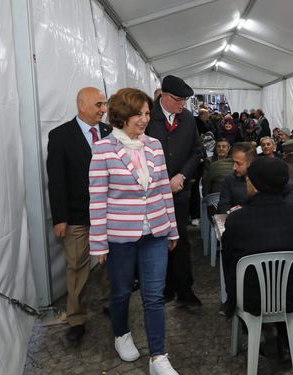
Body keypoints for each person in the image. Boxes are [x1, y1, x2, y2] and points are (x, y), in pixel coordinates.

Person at [88, 88, 179, 375]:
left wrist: (172, 229)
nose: (144, 119)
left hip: (156, 231)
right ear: (122, 115)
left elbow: (164, 189)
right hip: (119, 236)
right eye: (138, 114)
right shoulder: (103, 149)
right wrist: (98, 244)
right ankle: (121, 333)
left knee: (153, 295)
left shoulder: (153, 145)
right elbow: (97, 198)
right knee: (121, 291)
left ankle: (158, 356)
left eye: (147, 114)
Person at [46, 86, 111, 342]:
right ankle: (76, 319)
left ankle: (110, 303)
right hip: (76, 216)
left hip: (108, 213)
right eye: (98, 105)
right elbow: (57, 180)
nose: (104, 110)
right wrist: (60, 217)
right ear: (81, 105)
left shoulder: (109, 133)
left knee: (111, 263)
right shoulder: (60, 136)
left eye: (104, 105)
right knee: (77, 268)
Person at [221, 156, 293, 317]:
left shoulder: (237, 219)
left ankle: (250, 332)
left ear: (254, 185)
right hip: (291, 296)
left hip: (249, 300)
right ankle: (285, 335)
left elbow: (228, 258)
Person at [146, 75, 203, 307]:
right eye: (178, 100)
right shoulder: (147, 118)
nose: (182, 105)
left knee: (180, 239)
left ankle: (184, 289)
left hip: (179, 192)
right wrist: (162, 182)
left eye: (184, 101)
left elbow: (197, 151)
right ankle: (163, 288)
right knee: (157, 240)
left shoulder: (188, 119)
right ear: (164, 97)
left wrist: (182, 175)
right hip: (152, 194)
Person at [218, 142, 293, 213]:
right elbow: (223, 208)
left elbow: (290, 189)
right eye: (233, 162)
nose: (234, 167)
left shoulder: (266, 176)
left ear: (251, 163)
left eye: (238, 164)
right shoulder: (230, 180)